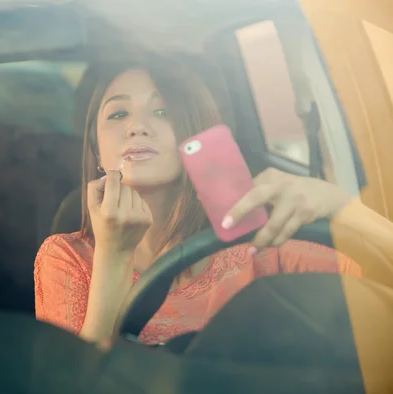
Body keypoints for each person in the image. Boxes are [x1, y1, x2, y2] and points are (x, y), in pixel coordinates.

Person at [34, 60, 393, 346]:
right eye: (118, 114)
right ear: (97, 149)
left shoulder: (264, 250)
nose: (137, 127)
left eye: (162, 112)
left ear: (195, 134)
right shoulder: (66, 258)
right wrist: (113, 255)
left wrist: (342, 205)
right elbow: (72, 387)